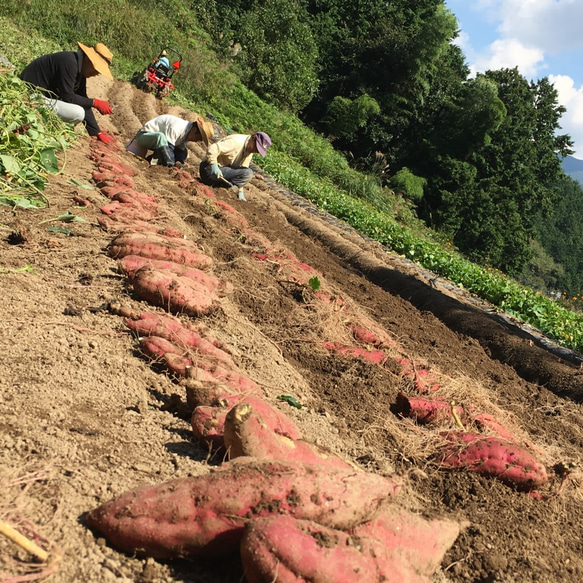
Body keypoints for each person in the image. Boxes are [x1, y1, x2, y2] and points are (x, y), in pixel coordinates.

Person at [19, 42, 115, 144]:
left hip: (42, 97)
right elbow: (68, 97)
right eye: (96, 69)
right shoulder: (69, 62)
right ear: (88, 59)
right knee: (78, 113)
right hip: (30, 95)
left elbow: (82, 98)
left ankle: (45, 123)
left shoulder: (79, 70)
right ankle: (42, 123)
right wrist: (95, 102)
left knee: (80, 108)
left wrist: (96, 132)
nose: (96, 74)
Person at [199, 132, 271, 201]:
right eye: (255, 147)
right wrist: (213, 165)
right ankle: (228, 188)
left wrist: (240, 191)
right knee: (248, 173)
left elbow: (242, 170)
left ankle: (226, 188)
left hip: (221, 174)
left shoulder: (249, 152)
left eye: (257, 151)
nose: (254, 151)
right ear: (253, 138)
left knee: (247, 173)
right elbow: (213, 148)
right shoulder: (236, 141)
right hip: (209, 170)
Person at [130, 114, 214, 168]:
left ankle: (153, 159)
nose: (195, 141)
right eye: (197, 138)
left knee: (184, 152)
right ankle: (163, 162)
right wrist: (171, 164)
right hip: (144, 136)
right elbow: (169, 148)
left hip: (158, 144)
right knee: (161, 137)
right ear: (194, 130)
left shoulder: (186, 132)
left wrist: (180, 163)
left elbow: (180, 150)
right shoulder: (177, 128)